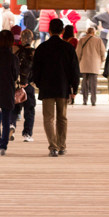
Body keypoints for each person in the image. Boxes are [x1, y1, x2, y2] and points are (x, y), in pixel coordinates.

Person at [30, 18, 80, 157]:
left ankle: (53, 146)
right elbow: (75, 70)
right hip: (63, 87)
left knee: (48, 118)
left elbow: (35, 70)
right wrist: (74, 89)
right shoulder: (68, 48)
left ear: (49, 30)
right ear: (63, 31)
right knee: (62, 118)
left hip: (47, 87)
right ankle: (62, 146)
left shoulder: (42, 47)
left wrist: (39, 84)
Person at [0, 30, 20, 156]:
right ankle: (3, 145)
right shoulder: (13, 57)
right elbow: (15, 75)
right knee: (6, 118)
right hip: (7, 89)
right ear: (11, 42)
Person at [11, 29, 36, 142]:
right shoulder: (34, 53)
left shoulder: (16, 52)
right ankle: (27, 134)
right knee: (29, 110)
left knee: (15, 108)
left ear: (21, 39)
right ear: (32, 40)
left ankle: (11, 125)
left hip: (17, 84)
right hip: (29, 84)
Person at [76, 26, 105, 106]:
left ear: (86, 32)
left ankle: (85, 100)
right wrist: (101, 61)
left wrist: (78, 62)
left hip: (84, 64)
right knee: (93, 84)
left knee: (84, 83)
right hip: (94, 65)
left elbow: (78, 53)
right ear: (94, 32)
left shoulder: (82, 40)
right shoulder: (98, 40)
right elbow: (103, 52)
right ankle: (93, 101)